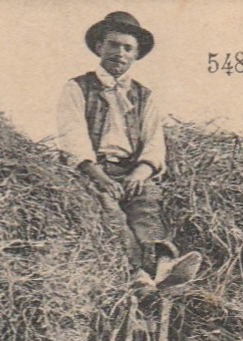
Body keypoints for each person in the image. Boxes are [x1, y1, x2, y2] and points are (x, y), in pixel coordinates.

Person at [57, 11, 202, 291]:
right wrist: (98, 175)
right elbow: (72, 136)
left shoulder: (144, 96)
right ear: (100, 47)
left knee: (146, 205)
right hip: (91, 170)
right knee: (110, 211)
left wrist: (140, 172)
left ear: (135, 55)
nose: (119, 53)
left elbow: (154, 141)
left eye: (128, 48)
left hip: (130, 170)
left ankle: (163, 263)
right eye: (113, 45)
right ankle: (137, 273)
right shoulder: (77, 87)